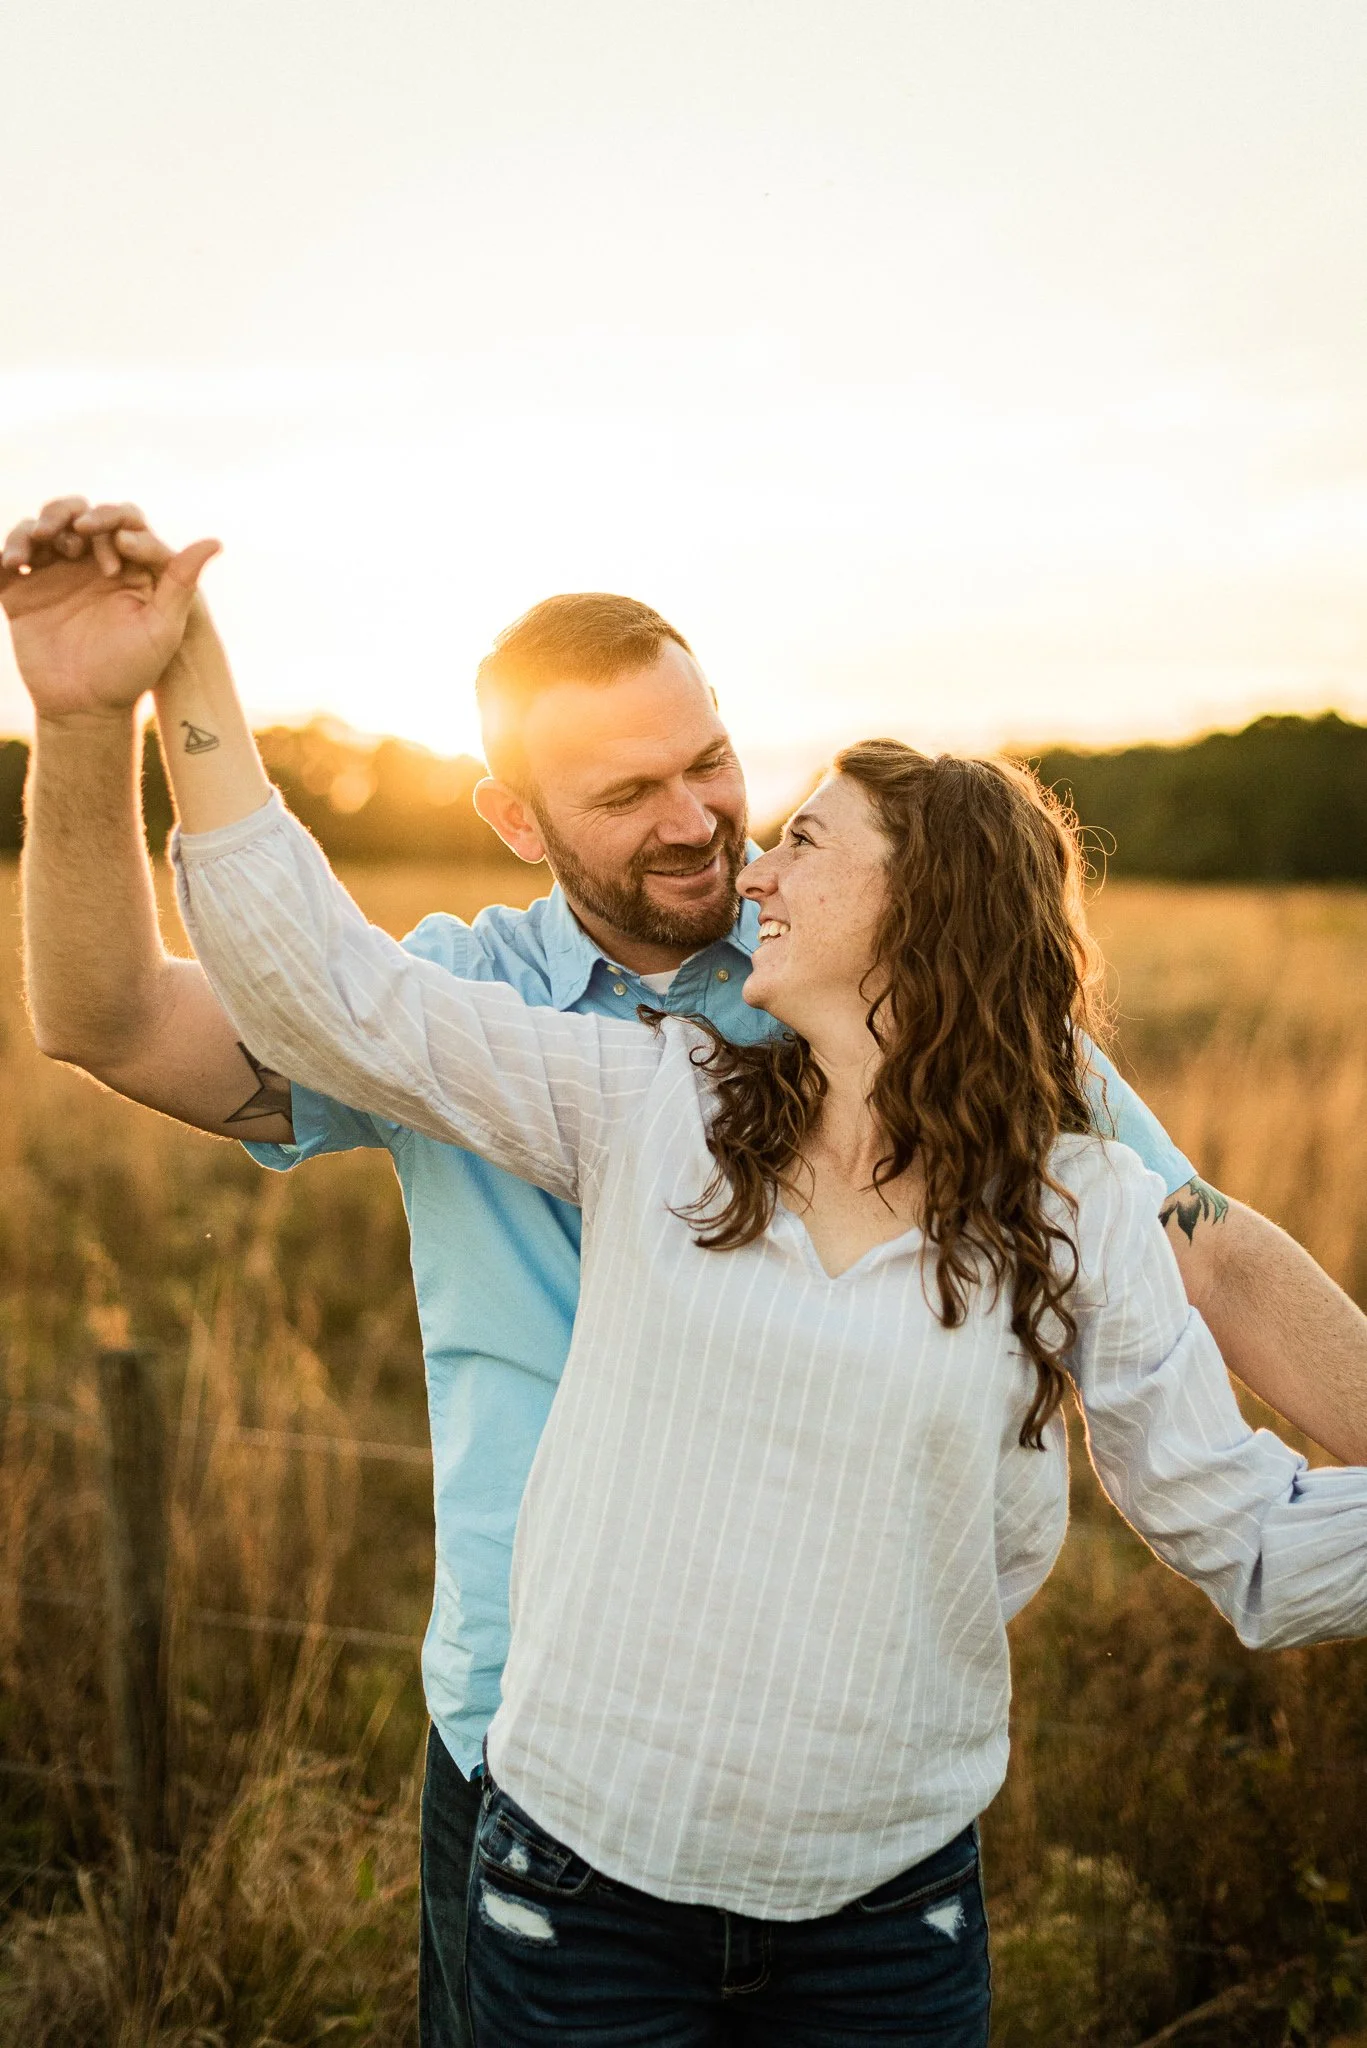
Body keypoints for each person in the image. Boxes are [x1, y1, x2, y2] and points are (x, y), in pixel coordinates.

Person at [5, 505, 1367, 2040]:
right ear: (517, 819)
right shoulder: (578, 1058)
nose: (709, 828)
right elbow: (155, 1014)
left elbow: (1210, 1265)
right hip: (540, 1767)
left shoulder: (1009, 1099)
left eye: (712, 764)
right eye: (625, 792)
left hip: (862, 1824)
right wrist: (102, 710)